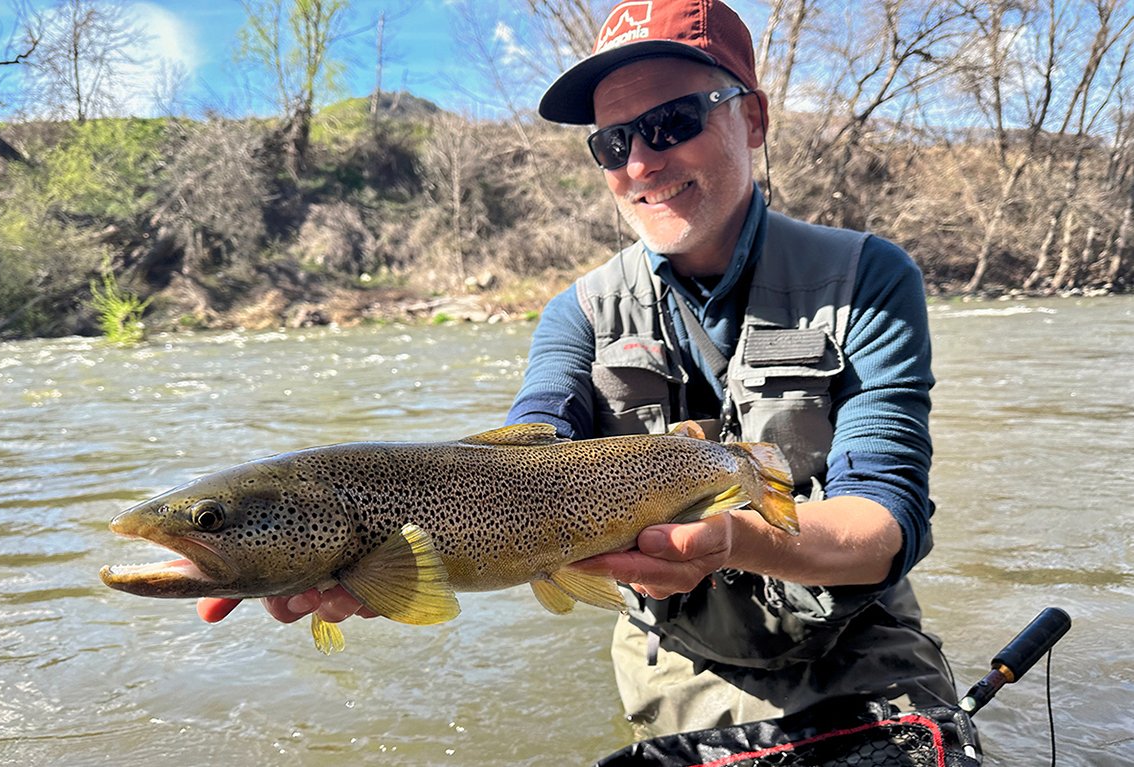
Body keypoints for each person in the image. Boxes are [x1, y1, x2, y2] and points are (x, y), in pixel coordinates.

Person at [198, 0, 957, 737]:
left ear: (751, 119)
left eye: (671, 123)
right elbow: (536, 440)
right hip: (678, 656)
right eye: (613, 142)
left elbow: (883, 526)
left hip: (862, 644)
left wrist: (737, 540)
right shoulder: (580, 312)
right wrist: (383, 558)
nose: (641, 162)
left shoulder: (869, 278)